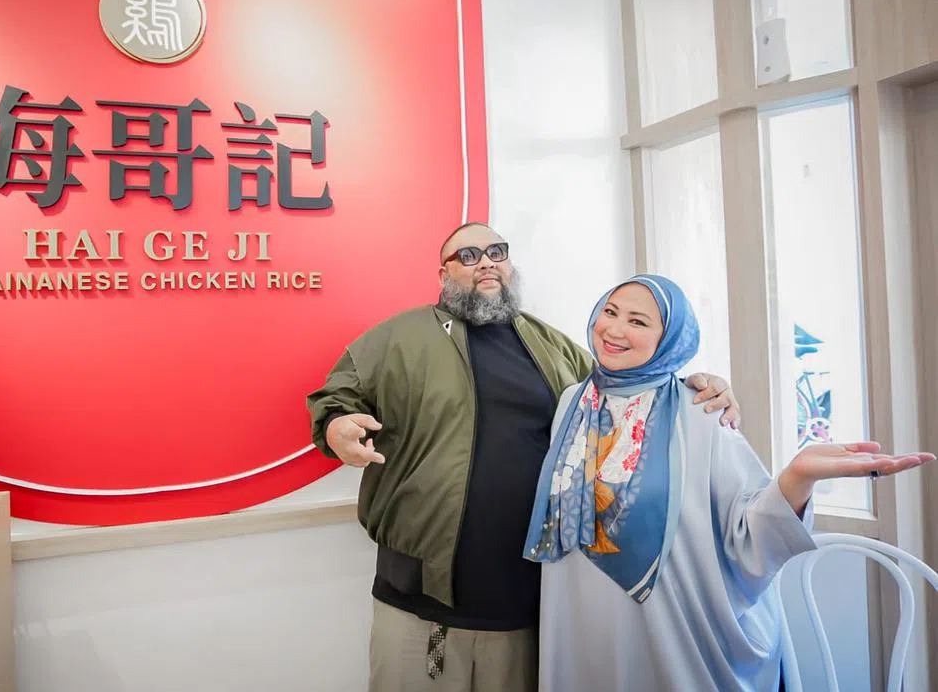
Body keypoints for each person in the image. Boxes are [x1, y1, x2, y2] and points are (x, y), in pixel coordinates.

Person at [306, 223, 740, 692]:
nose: (485, 262)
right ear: (443, 274)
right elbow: (336, 397)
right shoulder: (398, 339)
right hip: (420, 604)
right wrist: (336, 427)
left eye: (496, 251)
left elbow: (625, 388)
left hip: (526, 608)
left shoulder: (551, 346)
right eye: (467, 255)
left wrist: (697, 385)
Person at [523, 274, 935, 691]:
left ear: (670, 339)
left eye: (638, 321)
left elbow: (748, 532)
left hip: (672, 636)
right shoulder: (572, 403)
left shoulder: (700, 411)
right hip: (580, 626)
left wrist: (798, 477)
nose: (614, 329)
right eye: (610, 312)